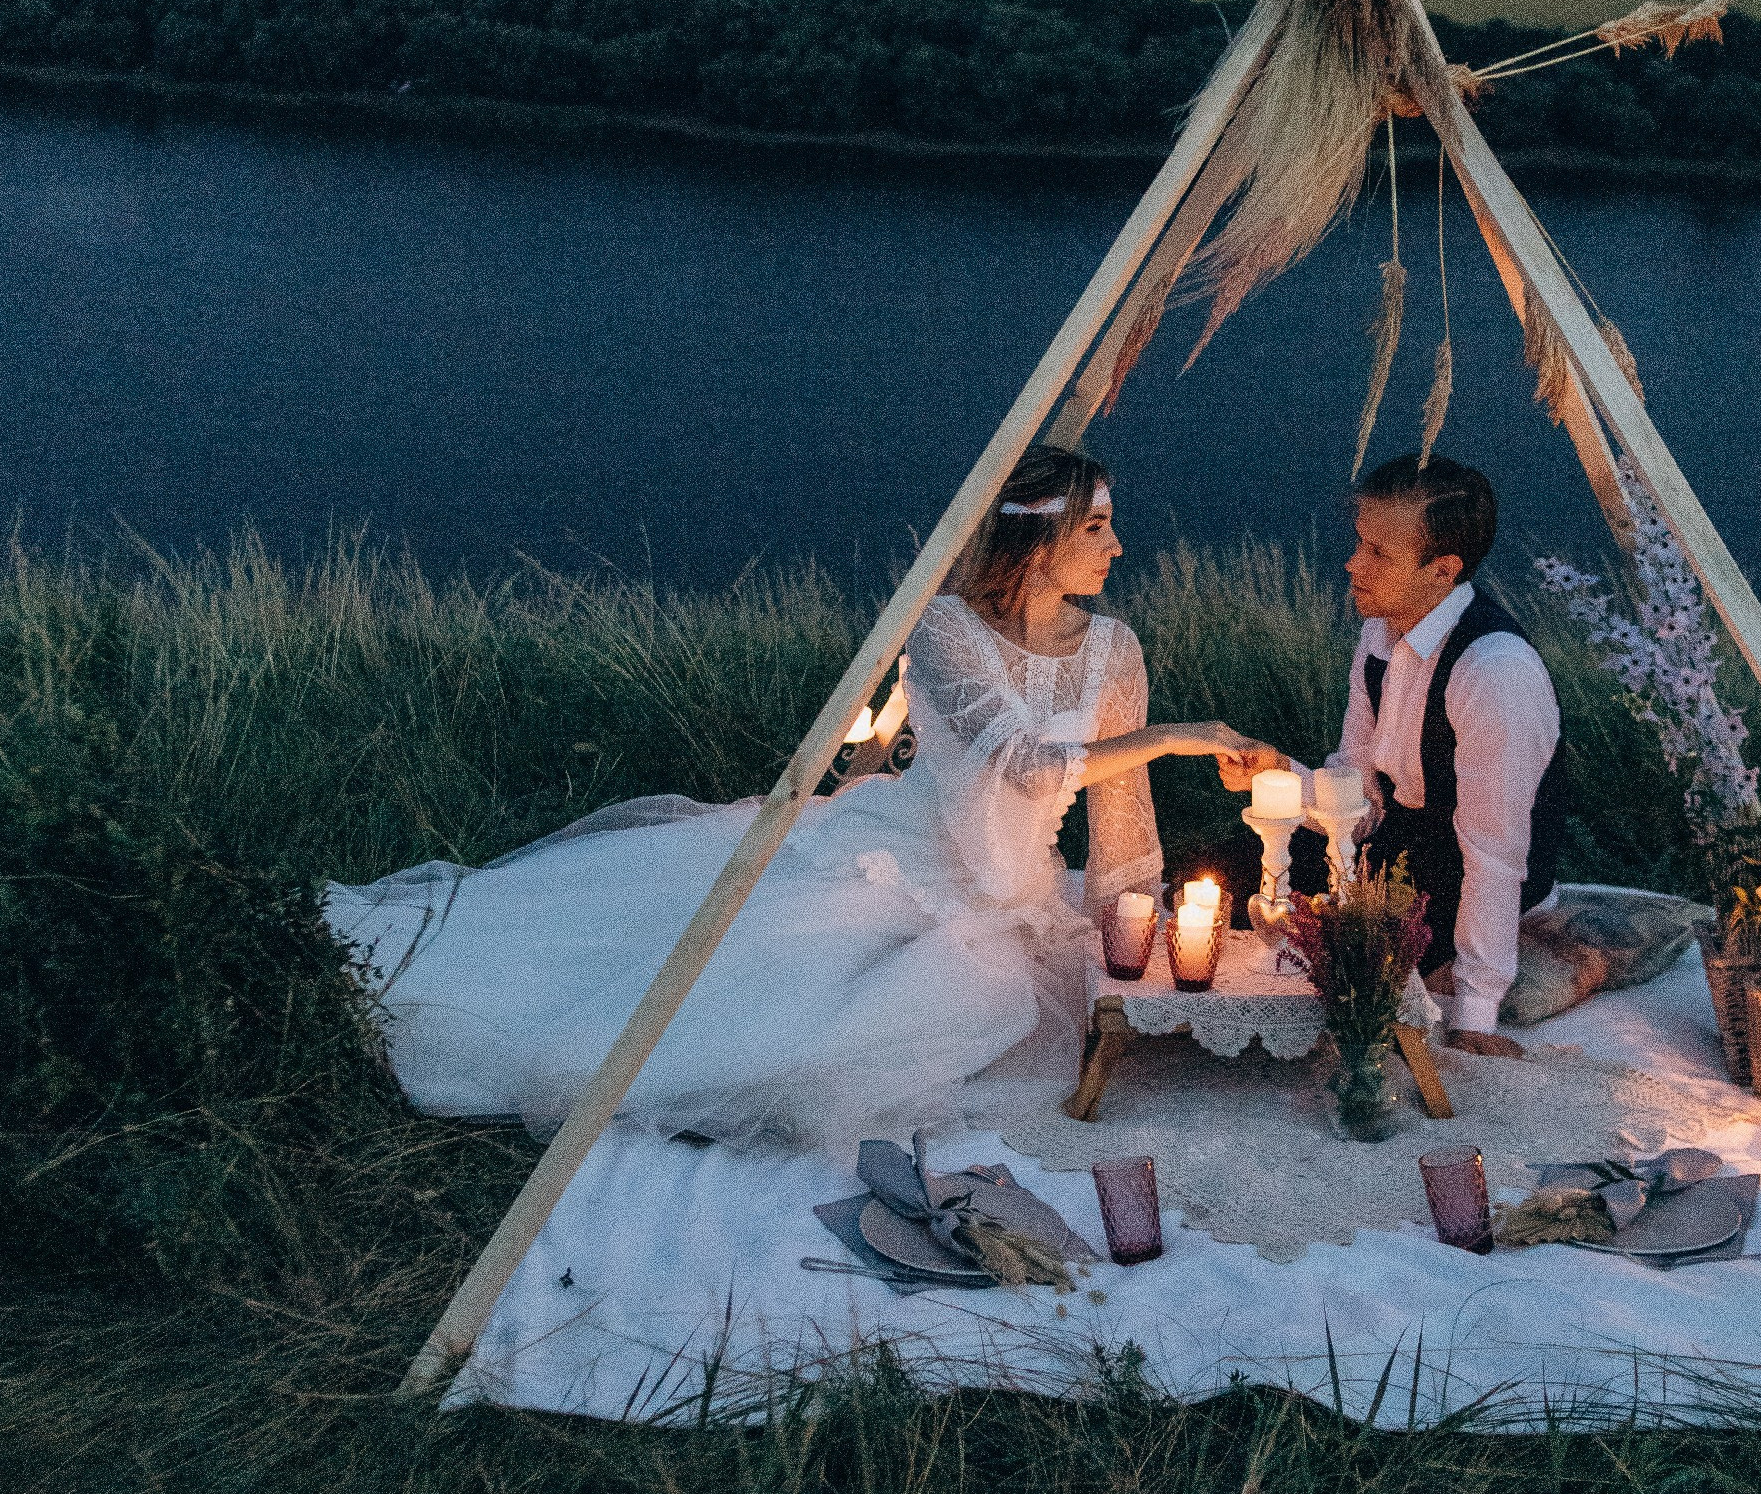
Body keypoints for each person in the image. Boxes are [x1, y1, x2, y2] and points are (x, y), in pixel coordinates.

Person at [325, 445, 1278, 1158]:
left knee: (1001, 1016)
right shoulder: (947, 632)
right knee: (767, 1008)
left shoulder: (1113, 649)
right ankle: (498, 1021)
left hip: (1017, 889)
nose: (1119, 546)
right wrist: (1186, 733)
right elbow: (1023, 765)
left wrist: (1131, 921)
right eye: (1096, 530)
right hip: (903, 861)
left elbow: (1122, 814)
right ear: (1038, 542)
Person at [1330, 452, 1566, 1059]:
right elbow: (1356, 777)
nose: (1354, 565)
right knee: (1239, 870)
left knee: (1360, 952)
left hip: (1466, 864)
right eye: (1360, 542)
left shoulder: (1494, 669)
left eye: (1379, 554)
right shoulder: (1379, 634)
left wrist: (1476, 1012)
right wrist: (1287, 787)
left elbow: (1495, 850)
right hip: (1401, 839)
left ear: (1443, 571)